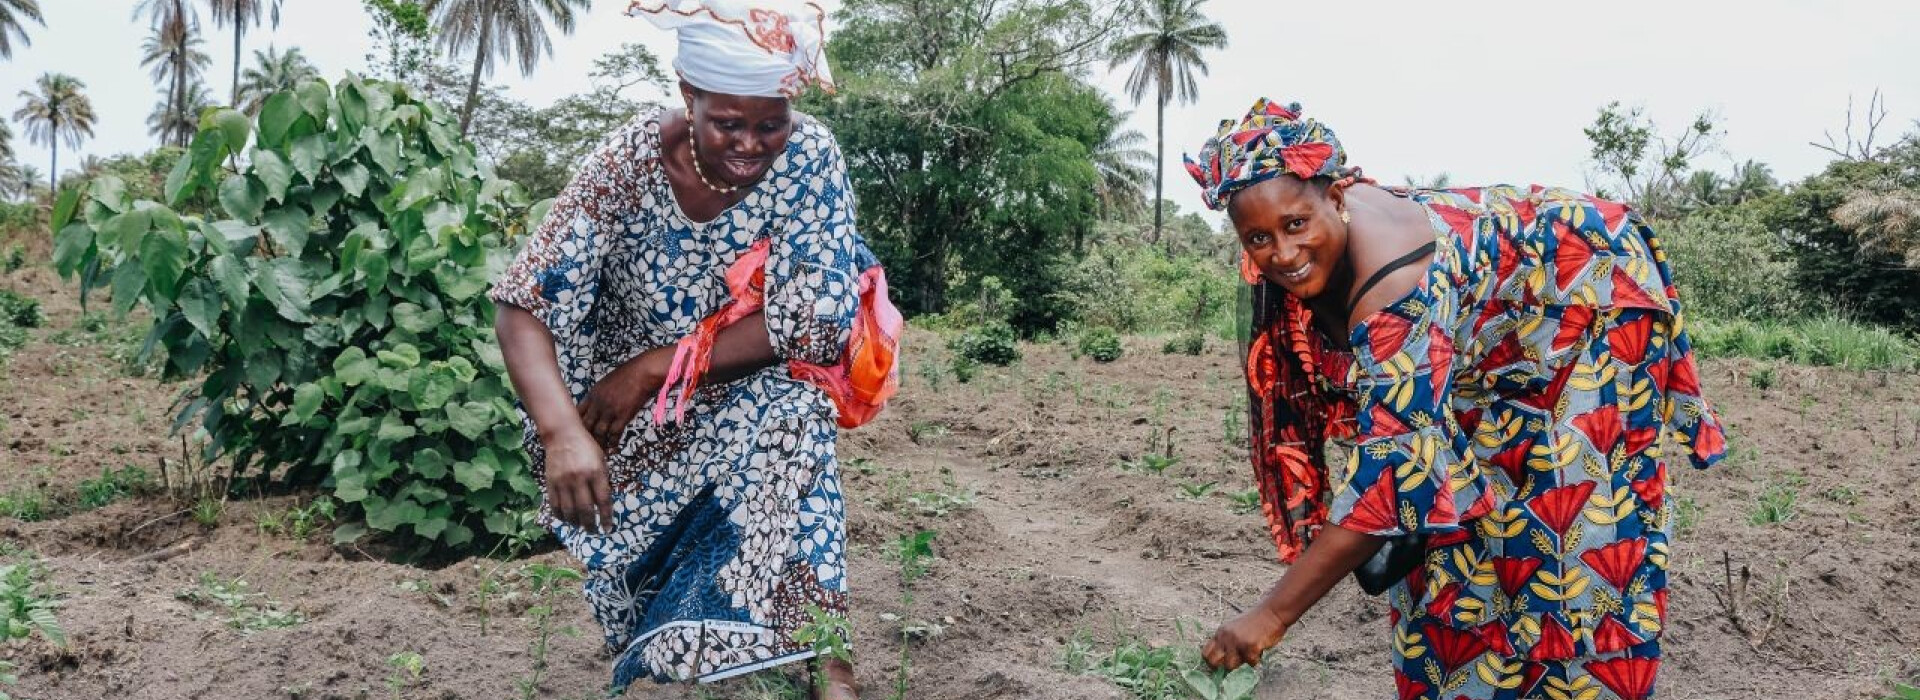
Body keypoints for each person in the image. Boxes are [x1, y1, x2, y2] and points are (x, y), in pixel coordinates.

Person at [1184, 98, 1725, 700]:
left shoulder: (1397, 286)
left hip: (1586, 298)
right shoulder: (1320, 247)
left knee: (1570, 518)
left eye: (1295, 226)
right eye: (1258, 238)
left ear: (1336, 199)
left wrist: (1270, 616)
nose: (1283, 253)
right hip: (1485, 345)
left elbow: (1395, 473)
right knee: (1454, 527)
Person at [490, 1, 897, 696]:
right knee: (655, 587)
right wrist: (562, 433)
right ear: (689, 96)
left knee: (797, 422)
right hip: (616, 422)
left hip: (736, 386)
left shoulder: (811, 161)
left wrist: (653, 368)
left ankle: (831, 669)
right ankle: (696, 663)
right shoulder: (627, 162)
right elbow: (524, 300)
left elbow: (814, 323)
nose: (751, 145)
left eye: (771, 124)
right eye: (728, 124)